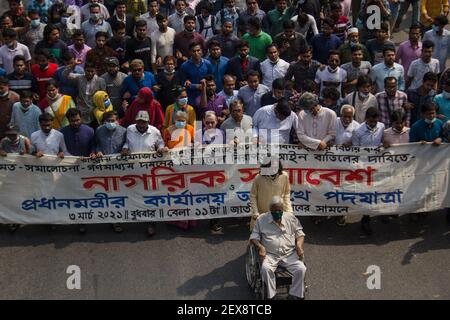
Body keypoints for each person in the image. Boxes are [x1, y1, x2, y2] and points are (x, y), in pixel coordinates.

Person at [121, 110, 169, 237]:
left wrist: (161, 148)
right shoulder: (130, 129)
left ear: (148, 122)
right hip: (133, 169)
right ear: (136, 121)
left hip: (149, 170)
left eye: (144, 122)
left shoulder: (154, 131)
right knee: (133, 193)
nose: (141, 124)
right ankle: (131, 217)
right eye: (139, 121)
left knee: (150, 196)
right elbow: (126, 142)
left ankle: (151, 223)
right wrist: (125, 148)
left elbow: (161, 143)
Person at [250, 195, 306, 300]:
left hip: (289, 254)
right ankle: (271, 296)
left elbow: (300, 234)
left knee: (301, 268)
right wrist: (260, 247)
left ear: (283, 209)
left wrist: (299, 245)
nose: (277, 213)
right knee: (265, 269)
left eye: (280, 210)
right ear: (270, 210)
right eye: (274, 211)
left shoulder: (291, 218)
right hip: (270, 254)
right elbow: (254, 237)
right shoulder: (261, 219)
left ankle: (295, 295)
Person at [351, 106, 385, 235]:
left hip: (378, 166)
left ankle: (382, 213)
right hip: (364, 168)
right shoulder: (357, 131)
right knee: (367, 194)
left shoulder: (381, 126)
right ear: (366, 119)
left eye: (375, 121)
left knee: (379, 190)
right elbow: (355, 150)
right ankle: (366, 219)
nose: (373, 124)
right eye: (371, 121)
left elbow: (382, 142)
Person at [249, 156, 293, 231]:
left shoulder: (284, 176)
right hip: (261, 216)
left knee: (278, 240)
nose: (274, 170)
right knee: (257, 239)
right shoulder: (259, 178)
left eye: (276, 167)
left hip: (278, 215)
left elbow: (286, 194)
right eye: (271, 167)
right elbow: (253, 196)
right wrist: (255, 213)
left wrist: (289, 211)